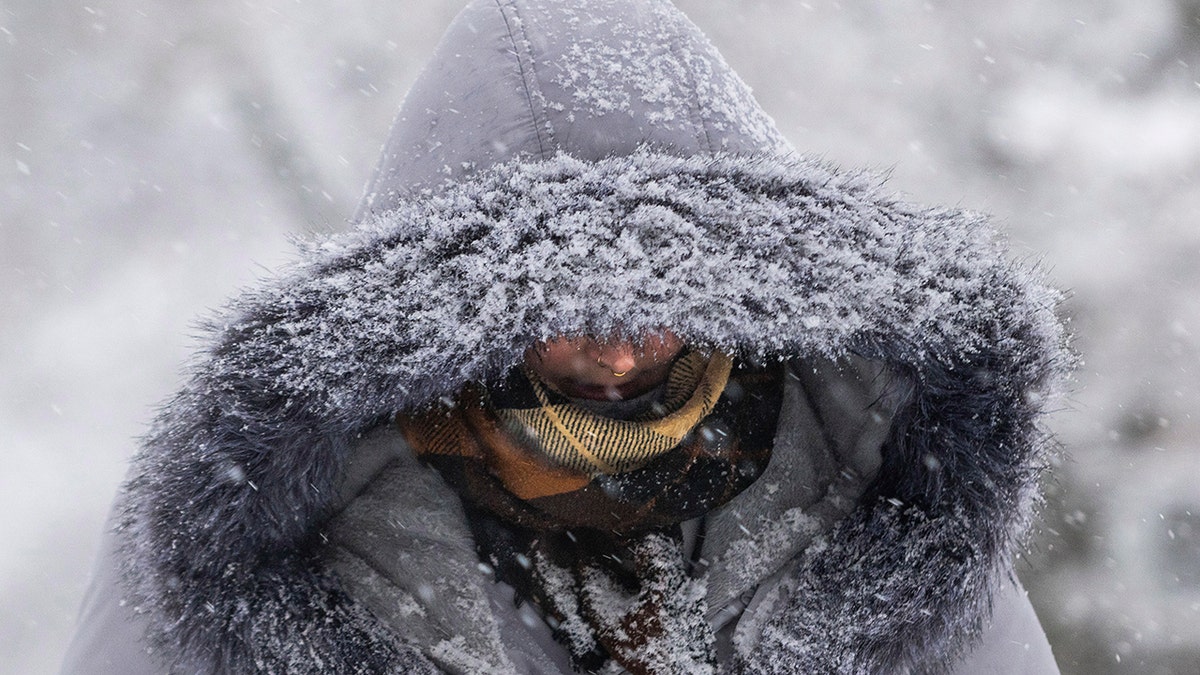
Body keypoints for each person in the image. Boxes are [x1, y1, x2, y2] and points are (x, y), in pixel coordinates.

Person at [62, 0, 1070, 673]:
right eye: (570, 317)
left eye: (664, 295)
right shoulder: (256, 541)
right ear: (469, 326)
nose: (623, 352)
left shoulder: (865, 494)